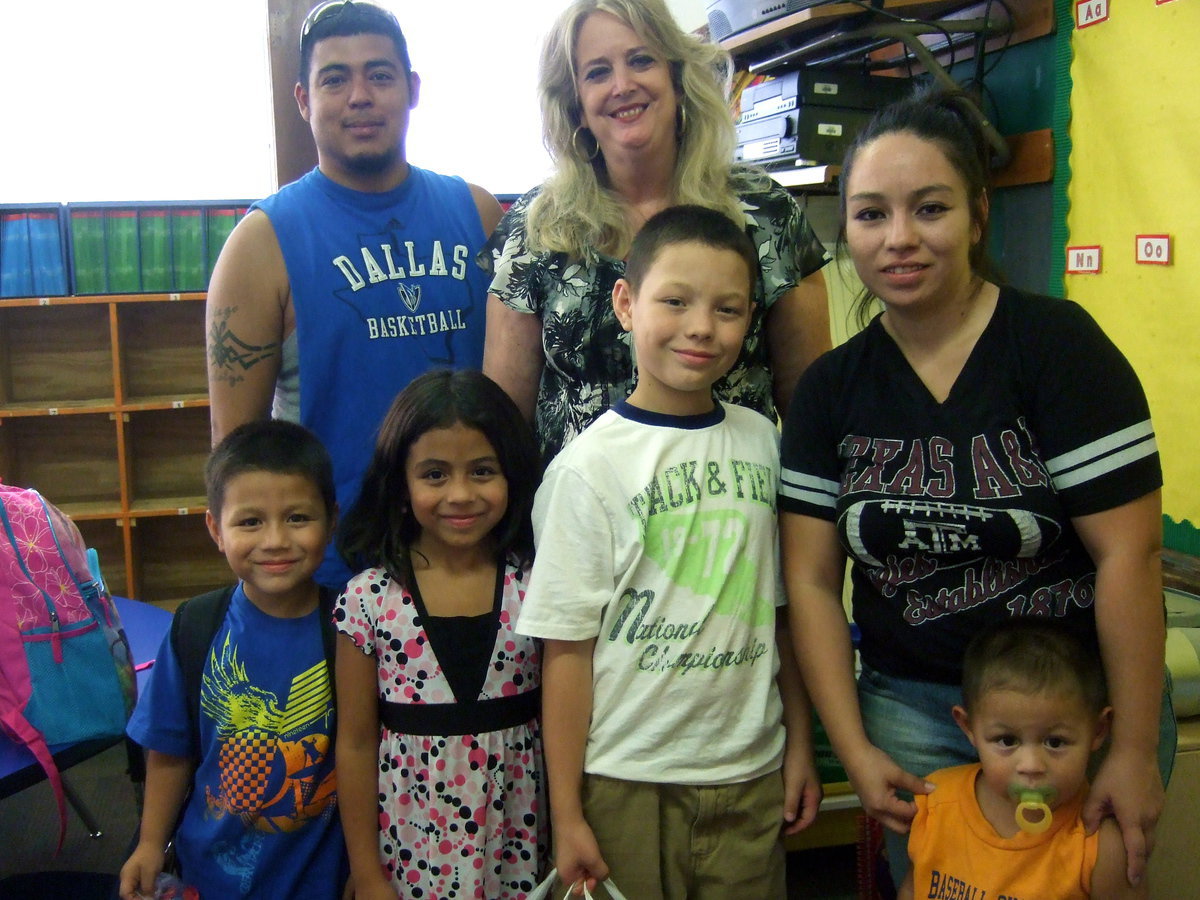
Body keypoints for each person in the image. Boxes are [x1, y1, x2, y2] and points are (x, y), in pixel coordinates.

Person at [777, 86, 1174, 892]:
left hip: (1069, 719)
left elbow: (1130, 555)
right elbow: (812, 581)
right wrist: (853, 748)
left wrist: (1128, 748)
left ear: (977, 214)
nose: (899, 240)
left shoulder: (1059, 348)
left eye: (929, 208)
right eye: (869, 215)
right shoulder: (828, 389)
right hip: (913, 714)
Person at [520, 205, 820, 899]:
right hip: (629, 778)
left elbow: (782, 615)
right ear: (626, 304)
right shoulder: (585, 470)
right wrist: (566, 813)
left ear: (750, 320)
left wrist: (799, 746)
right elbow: (566, 651)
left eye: (727, 309)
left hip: (750, 772)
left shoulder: (763, 443)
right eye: (675, 301)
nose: (700, 328)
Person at [206, 0, 504, 589]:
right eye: (334, 79)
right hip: (337, 583)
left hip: (478, 564)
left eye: (380, 74)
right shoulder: (260, 245)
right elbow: (238, 461)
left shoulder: (479, 212)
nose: (360, 95)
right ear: (303, 100)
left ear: (412, 89)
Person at [481, 0, 831, 464]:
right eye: (597, 72)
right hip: (579, 523)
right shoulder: (535, 227)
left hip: (730, 518)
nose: (623, 86)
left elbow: (814, 416)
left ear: (678, 80)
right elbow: (501, 425)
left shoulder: (765, 213)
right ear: (576, 106)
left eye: (641, 60)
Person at [333, 369, 546, 899]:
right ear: (400, 486)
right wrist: (365, 869)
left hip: (520, 844)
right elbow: (357, 742)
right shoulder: (367, 602)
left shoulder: (537, 585)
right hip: (411, 850)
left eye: (481, 471)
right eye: (434, 474)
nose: (460, 494)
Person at [119, 420, 345, 900]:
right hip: (209, 876)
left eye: (298, 518)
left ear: (332, 520)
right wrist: (149, 844)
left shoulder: (352, 626)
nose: (276, 540)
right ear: (215, 529)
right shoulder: (196, 627)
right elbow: (169, 750)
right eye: (250, 522)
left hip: (322, 880)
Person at [899, 619, 1144, 900]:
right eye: (1006, 741)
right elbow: (913, 887)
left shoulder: (1101, 845)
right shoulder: (936, 805)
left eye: (1055, 742)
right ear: (968, 728)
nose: (1031, 766)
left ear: (1098, 730)